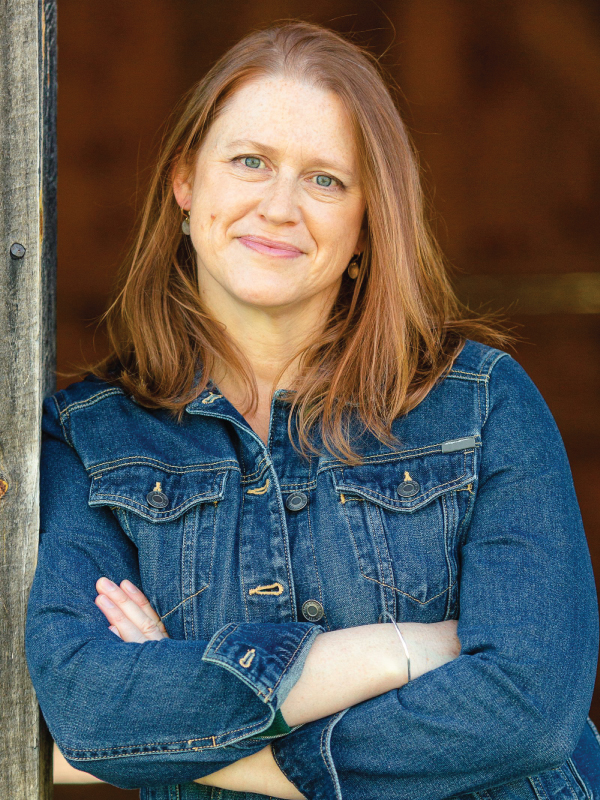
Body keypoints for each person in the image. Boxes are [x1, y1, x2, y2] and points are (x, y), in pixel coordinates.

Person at [25, 21, 600, 800]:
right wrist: (395, 653)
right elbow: (88, 713)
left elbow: (531, 709)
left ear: (368, 225)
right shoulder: (90, 434)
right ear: (186, 184)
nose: (280, 206)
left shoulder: (482, 403)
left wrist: (206, 734)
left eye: (326, 179)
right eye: (250, 162)